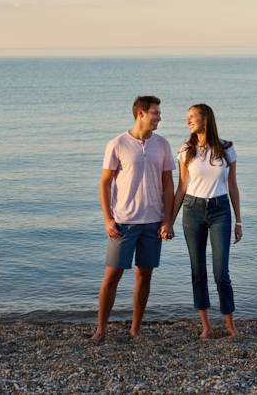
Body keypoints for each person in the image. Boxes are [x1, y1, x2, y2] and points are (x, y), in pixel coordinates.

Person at [91, 95, 176, 343]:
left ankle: (135, 329)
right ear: (141, 113)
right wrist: (108, 219)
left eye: (159, 113)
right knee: (112, 275)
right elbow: (105, 183)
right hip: (124, 222)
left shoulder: (162, 144)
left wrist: (168, 219)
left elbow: (168, 183)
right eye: (156, 113)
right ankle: (101, 330)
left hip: (153, 221)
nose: (159, 117)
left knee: (145, 275)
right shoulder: (117, 143)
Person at [172, 103, 242, 338]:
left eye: (192, 117)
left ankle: (230, 323)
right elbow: (181, 187)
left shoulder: (226, 149)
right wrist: (169, 221)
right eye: (187, 117)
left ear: (206, 119)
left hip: (220, 210)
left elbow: (232, 185)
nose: (188, 121)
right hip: (192, 209)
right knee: (197, 270)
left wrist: (239, 221)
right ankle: (206, 326)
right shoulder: (186, 150)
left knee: (221, 271)